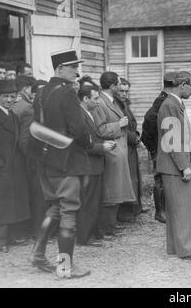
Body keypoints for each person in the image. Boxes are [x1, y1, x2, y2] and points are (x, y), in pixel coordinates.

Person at [29, 49, 92, 278]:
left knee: (55, 208)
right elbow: (79, 130)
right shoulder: (67, 93)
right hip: (68, 162)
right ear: (60, 69)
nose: (77, 71)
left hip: (46, 162)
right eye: (73, 67)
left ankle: (37, 254)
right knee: (69, 212)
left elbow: (37, 127)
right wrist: (89, 143)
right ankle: (65, 266)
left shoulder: (41, 92)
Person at [156, 71, 191, 262]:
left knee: (176, 209)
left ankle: (177, 247)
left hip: (172, 165)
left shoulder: (175, 104)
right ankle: (189, 250)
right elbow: (171, 140)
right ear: (182, 85)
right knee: (184, 209)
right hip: (174, 166)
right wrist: (184, 166)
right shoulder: (170, 104)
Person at [92, 72, 136, 236]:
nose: (121, 86)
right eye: (118, 83)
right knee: (110, 192)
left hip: (118, 152)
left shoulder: (111, 101)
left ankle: (111, 224)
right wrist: (118, 124)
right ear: (112, 86)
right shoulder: (100, 103)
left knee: (116, 191)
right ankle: (106, 227)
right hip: (111, 152)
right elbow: (100, 129)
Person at [76, 82, 115, 247]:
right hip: (88, 166)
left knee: (95, 201)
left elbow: (93, 137)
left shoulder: (88, 113)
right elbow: (80, 144)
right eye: (96, 98)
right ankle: (85, 237)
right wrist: (102, 147)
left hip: (95, 165)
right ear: (85, 98)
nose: (98, 101)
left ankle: (95, 233)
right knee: (88, 203)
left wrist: (105, 142)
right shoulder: (79, 116)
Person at [0, 80, 30, 253]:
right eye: (5, 96)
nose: (9, 99)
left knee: (13, 201)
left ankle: (11, 236)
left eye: (11, 96)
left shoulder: (13, 116)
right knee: (1, 203)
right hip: (1, 167)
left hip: (14, 166)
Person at [12, 75, 47, 239]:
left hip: (38, 159)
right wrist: (37, 157)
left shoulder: (39, 110)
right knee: (38, 196)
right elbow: (24, 140)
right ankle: (37, 231)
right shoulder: (29, 111)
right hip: (34, 161)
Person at [115, 77, 146, 222]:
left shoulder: (125, 104)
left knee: (134, 177)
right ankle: (125, 210)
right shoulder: (116, 106)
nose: (124, 94)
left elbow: (131, 125)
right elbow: (121, 129)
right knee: (127, 179)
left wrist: (137, 136)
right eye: (121, 90)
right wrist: (135, 138)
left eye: (127, 91)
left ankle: (135, 206)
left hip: (130, 147)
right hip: (123, 146)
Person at [141, 79, 172, 224]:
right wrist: (155, 148)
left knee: (162, 178)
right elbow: (154, 126)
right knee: (159, 178)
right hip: (158, 146)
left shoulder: (163, 100)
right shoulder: (162, 102)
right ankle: (160, 212)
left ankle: (164, 209)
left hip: (159, 146)